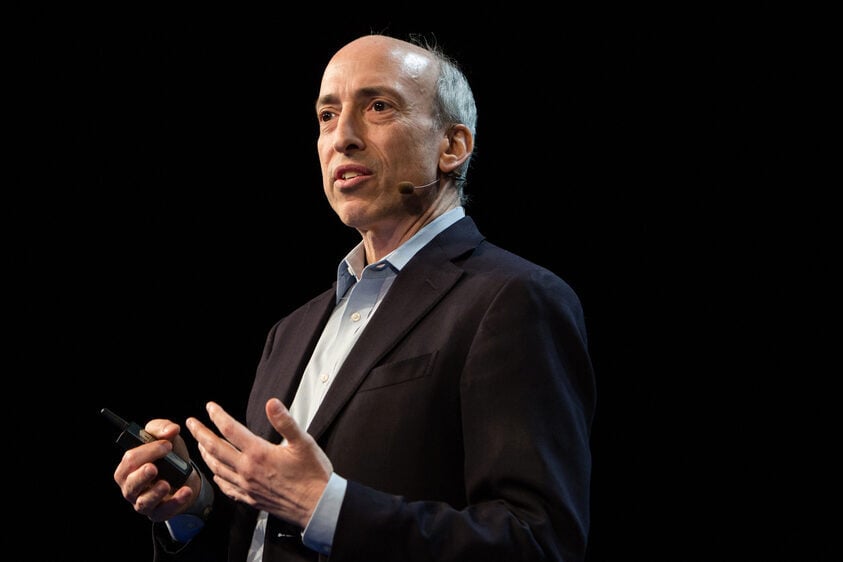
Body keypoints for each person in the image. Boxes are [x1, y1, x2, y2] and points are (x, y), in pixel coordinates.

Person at [112, 32, 597, 562]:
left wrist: (327, 508)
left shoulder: (514, 300)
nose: (342, 136)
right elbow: (267, 534)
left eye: (378, 106)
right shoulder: (289, 332)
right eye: (327, 115)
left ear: (452, 147)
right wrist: (193, 506)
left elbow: (538, 542)